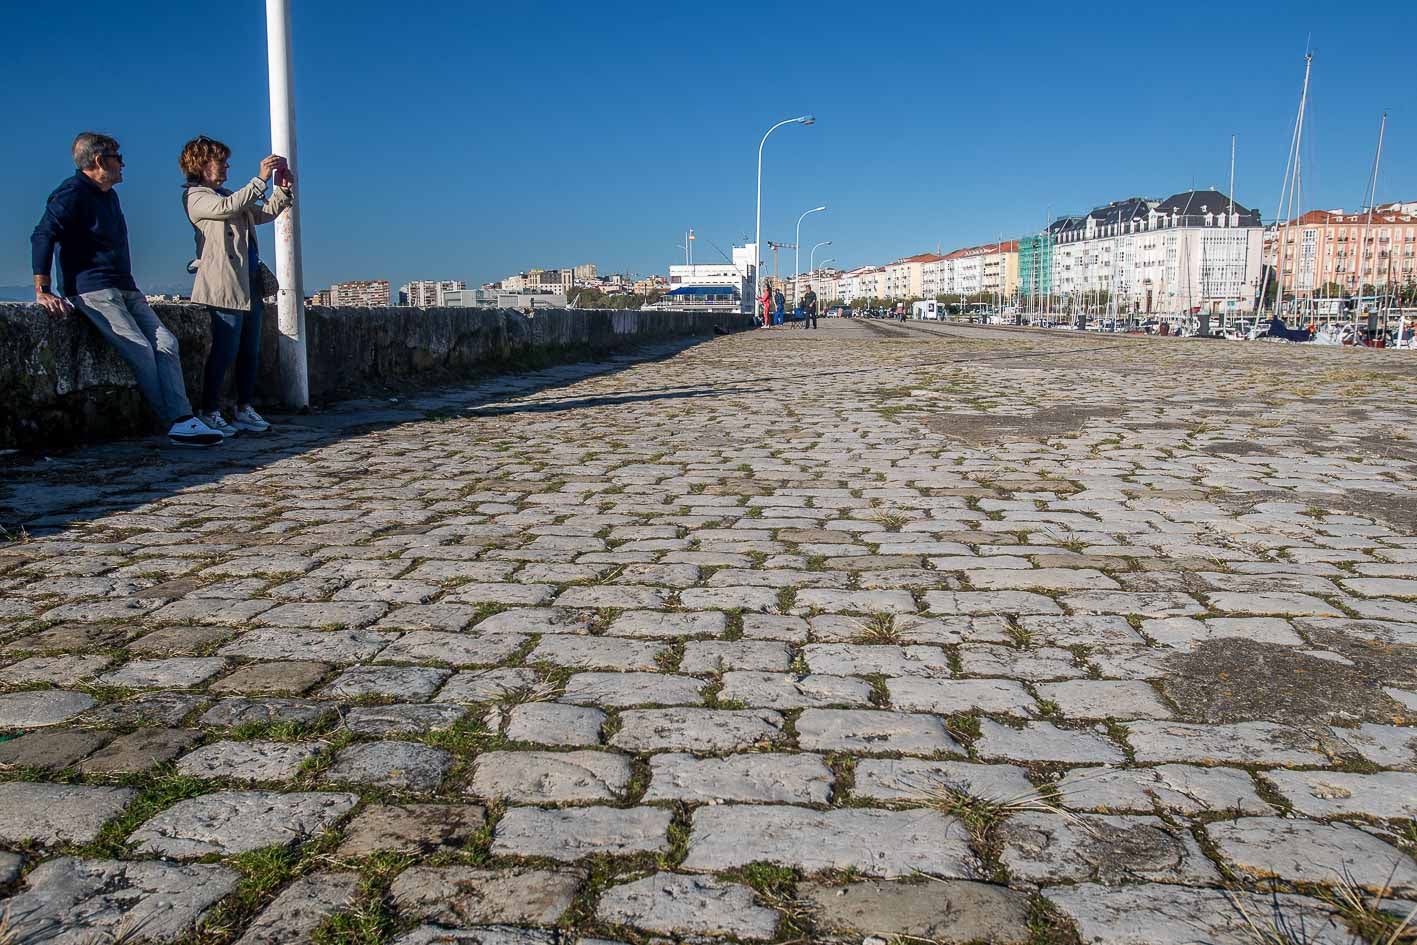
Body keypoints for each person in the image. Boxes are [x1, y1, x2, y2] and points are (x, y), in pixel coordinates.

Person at [31, 133, 223, 447]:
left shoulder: (109, 195)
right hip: (93, 290)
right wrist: (44, 289)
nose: (123, 164)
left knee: (167, 343)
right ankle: (175, 420)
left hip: (126, 288)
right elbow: (43, 235)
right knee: (140, 349)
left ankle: (184, 419)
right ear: (98, 161)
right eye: (117, 157)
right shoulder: (71, 192)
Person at [182, 136, 293, 436]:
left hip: (249, 283)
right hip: (224, 284)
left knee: (249, 351)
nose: (227, 166)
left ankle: (243, 407)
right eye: (222, 160)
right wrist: (260, 179)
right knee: (225, 350)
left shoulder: (230, 194)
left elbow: (263, 213)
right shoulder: (196, 197)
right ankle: (209, 409)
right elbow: (226, 208)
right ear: (203, 164)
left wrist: (282, 189)